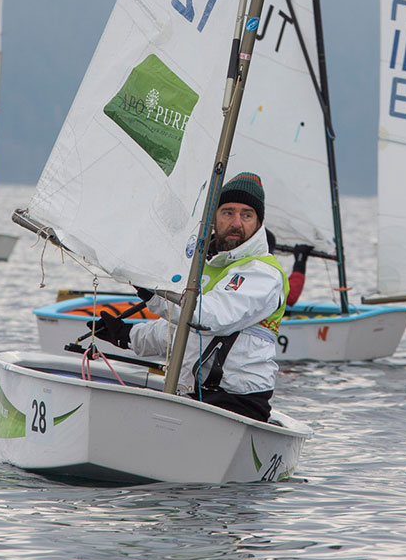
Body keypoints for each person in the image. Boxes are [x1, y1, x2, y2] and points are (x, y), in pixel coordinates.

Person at [91, 172, 287, 421]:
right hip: (195, 393)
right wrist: (128, 335)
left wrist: (153, 292)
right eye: (228, 213)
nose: (237, 223)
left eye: (247, 215)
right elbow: (183, 332)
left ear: (259, 223)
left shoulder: (263, 272)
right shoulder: (206, 267)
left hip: (238, 401)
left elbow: (209, 319)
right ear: (213, 218)